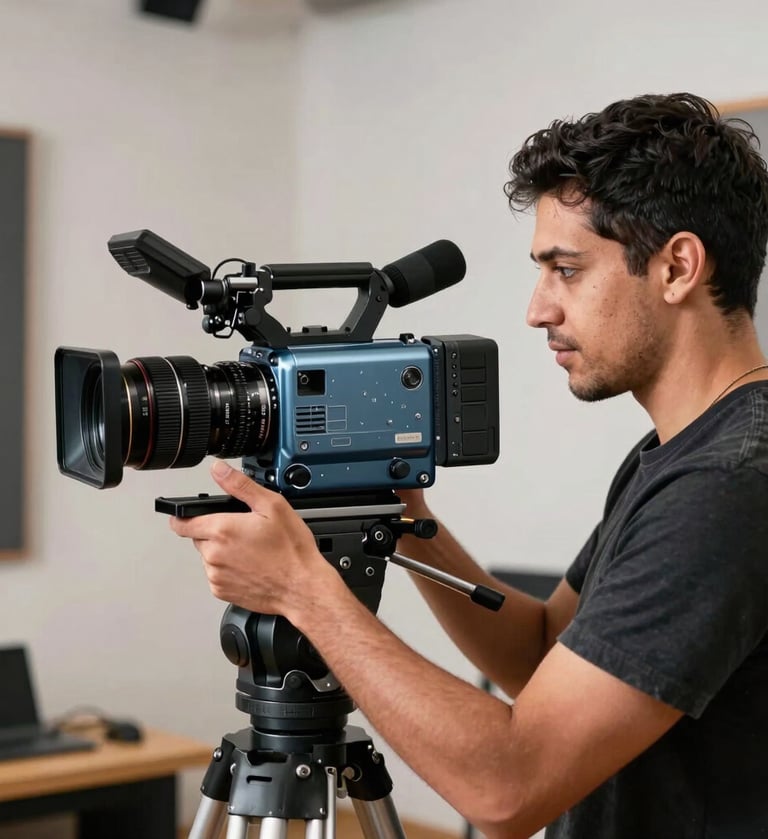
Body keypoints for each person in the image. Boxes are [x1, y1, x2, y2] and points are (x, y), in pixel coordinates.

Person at [170, 92, 768, 838]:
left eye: (567, 269)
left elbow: (509, 788)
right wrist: (406, 519)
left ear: (677, 265)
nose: (537, 308)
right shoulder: (681, 450)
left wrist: (304, 591)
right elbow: (544, 651)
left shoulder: (730, 483)